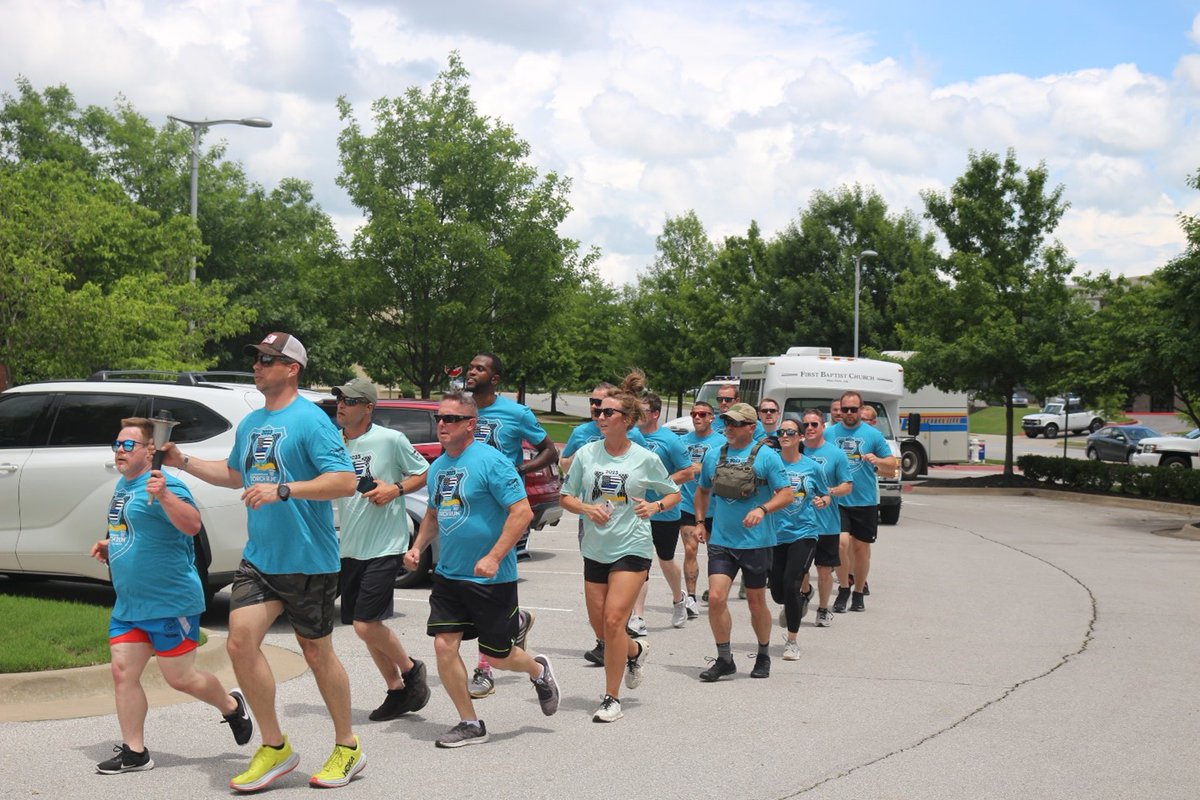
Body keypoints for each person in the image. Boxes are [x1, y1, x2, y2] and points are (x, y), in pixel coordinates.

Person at [160, 332, 364, 791]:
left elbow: (345, 481)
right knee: (239, 643)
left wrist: (285, 489)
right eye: (256, 359)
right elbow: (235, 474)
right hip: (260, 559)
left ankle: (348, 745)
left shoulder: (312, 421)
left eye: (268, 360)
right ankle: (275, 747)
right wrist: (182, 460)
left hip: (308, 560)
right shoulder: (252, 422)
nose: (257, 366)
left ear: (292, 369)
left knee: (316, 652)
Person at [90, 418, 253, 775]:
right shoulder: (124, 485)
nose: (119, 450)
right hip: (130, 604)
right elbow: (133, 528)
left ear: (150, 450)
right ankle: (135, 752)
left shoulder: (169, 485)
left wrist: (164, 494)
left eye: (128, 445)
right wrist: (110, 543)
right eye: (117, 444)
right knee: (122, 672)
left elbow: (192, 525)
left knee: (180, 678)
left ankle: (231, 705)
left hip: (169, 601)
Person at [405, 392, 560, 747]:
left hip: (491, 579)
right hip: (449, 575)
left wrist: (493, 557)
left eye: (451, 419)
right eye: (439, 418)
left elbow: (522, 512)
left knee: (499, 657)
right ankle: (470, 722)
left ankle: (537, 670)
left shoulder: (493, 462)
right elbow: (433, 514)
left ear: (471, 424)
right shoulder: (439, 467)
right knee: (444, 646)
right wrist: (417, 547)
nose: (442, 424)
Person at [559, 372, 681, 722]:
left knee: (614, 620)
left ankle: (611, 698)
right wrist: (587, 509)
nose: (599, 416)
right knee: (602, 629)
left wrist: (655, 506)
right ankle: (636, 650)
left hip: (632, 547)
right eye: (598, 411)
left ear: (626, 420)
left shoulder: (644, 458)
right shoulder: (586, 454)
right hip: (596, 548)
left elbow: (674, 493)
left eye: (607, 412)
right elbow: (565, 496)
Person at [333, 377, 431, 722]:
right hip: (350, 546)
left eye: (350, 401)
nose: (341, 405)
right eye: (340, 399)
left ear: (368, 407)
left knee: (365, 625)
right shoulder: (334, 443)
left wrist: (395, 489)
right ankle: (397, 690)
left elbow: (424, 473)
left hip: (385, 544)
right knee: (365, 627)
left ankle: (412, 670)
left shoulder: (391, 439)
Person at [462, 352, 551, 698]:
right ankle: (517, 622)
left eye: (479, 368)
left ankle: (484, 669)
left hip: (504, 510)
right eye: (470, 367)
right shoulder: (462, 411)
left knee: (487, 585)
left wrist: (520, 470)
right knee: (471, 584)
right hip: (469, 508)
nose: (472, 371)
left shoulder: (516, 414)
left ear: (495, 378)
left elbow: (549, 451)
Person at [692, 403, 791, 681]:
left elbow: (786, 494)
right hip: (722, 541)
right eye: (727, 423)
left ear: (751, 427)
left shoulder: (767, 457)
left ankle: (763, 654)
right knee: (716, 598)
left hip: (756, 543)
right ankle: (725, 659)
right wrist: (700, 522)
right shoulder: (714, 455)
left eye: (736, 423)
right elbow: (702, 491)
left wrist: (762, 509)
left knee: (756, 602)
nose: (729, 428)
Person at [561, 382, 648, 657]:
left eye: (603, 407)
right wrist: (581, 463)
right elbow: (564, 464)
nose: (597, 411)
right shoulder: (581, 434)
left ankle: (617, 632)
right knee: (599, 602)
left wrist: (653, 505)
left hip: (628, 529)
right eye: (594, 404)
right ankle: (619, 643)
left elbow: (647, 471)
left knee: (614, 609)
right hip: (592, 518)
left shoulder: (636, 439)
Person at [627, 391, 695, 632]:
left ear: (655, 414)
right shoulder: (630, 436)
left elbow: (688, 472)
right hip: (637, 511)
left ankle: (678, 599)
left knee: (666, 560)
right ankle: (638, 617)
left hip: (665, 511)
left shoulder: (670, 440)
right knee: (640, 564)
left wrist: (661, 483)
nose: (637, 415)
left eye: (643, 410)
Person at [826, 391, 898, 613]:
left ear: (861, 409)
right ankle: (844, 588)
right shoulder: (829, 433)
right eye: (845, 409)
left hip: (865, 500)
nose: (849, 413)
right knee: (841, 544)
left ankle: (858, 592)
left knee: (861, 549)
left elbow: (892, 464)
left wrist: (878, 460)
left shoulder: (873, 435)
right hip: (838, 499)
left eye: (853, 409)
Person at [771, 417, 831, 660]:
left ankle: (792, 641)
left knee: (791, 584)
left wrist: (822, 500)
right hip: (775, 534)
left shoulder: (812, 467)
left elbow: (826, 495)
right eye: (781, 432)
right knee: (777, 593)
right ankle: (797, 600)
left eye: (790, 432)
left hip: (804, 532)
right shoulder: (770, 463)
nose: (784, 436)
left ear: (800, 437)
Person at [795, 409, 853, 627]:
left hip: (827, 523)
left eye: (814, 424)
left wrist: (830, 492)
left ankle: (822, 609)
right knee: (800, 569)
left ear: (823, 427)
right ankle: (805, 592)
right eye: (806, 425)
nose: (809, 428)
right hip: (800, 522)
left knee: (824, 570)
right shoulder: (795, 450)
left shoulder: (836, 454)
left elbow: (847, 485)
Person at [677, 401, 722, 614]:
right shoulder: (682, 442)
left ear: (712, 417)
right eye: (694, 413)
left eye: (703, 414)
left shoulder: (722, 442)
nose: (697, 417)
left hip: (715, 506)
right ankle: (691, 598)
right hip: (688, 503)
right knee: (690, 548)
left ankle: (715, 592)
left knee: (716, 553)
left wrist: (703, 468)